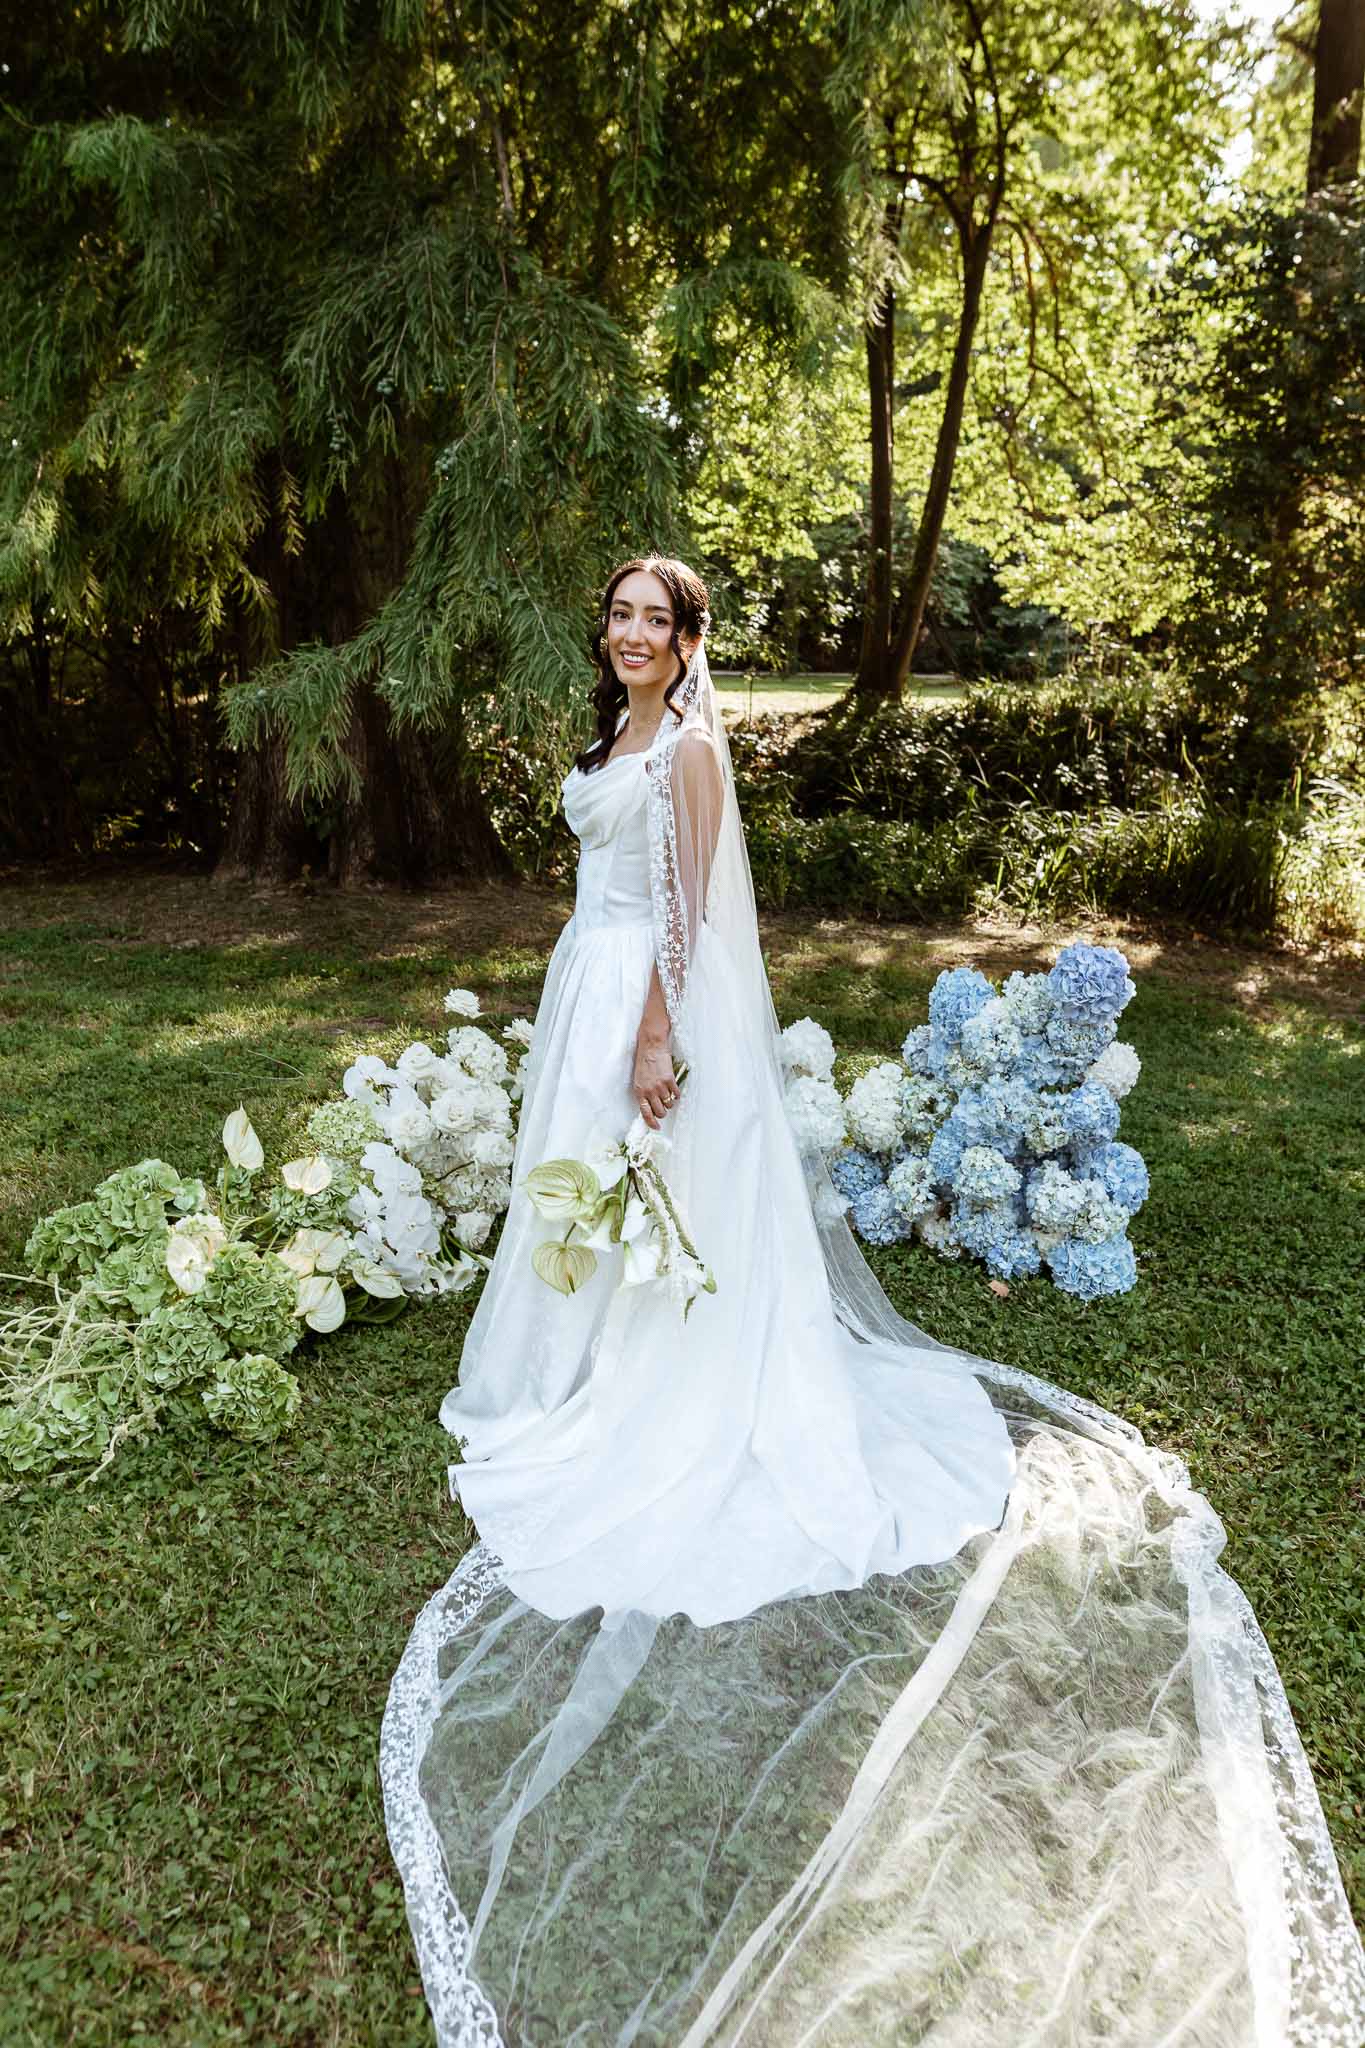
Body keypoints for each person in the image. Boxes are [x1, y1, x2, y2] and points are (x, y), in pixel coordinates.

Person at [381, 555, 1365, 2047]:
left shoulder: (696, 750)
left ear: (692, 641)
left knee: (661, 1198)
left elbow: (696, 919)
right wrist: (592, 998)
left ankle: (658, 1375)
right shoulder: (610, 739)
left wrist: (654, 1035)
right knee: (581, 1196)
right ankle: (568, 1359)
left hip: (643, 1001)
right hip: (584, 984)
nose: (632, 638)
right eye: (620, 619)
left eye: (656, 621)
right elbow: (604, 886)